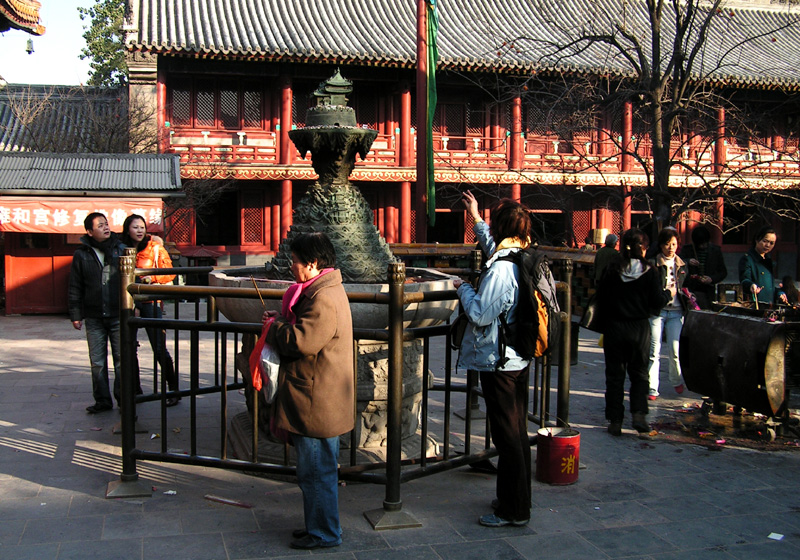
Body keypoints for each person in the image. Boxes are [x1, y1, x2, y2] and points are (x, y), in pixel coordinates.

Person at [263, 232, 354, 550]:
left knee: (316, 471)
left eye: (296, 260)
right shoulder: (324, 290)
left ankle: (325, 533)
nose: (292, 266)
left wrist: (275, 329)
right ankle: (320, 525)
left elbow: (300, 341)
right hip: (318, 396)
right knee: (316, 470)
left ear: (313, 264)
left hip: (317, 402)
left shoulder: (323, 299)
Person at [453, 190, 533, 528]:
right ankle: (516, 500)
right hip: (518, 357)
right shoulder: (521, 255)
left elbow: (481, 313)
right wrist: (476, 217)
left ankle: (513, 510)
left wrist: (462, 287)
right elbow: (491, 249)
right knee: (516, 432)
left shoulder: (502, 269)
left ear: (502, 228)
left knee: (508, 437)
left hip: (500, 362)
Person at [596, 228, 670, 436]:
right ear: (643, 248)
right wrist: (667, 294)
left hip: (615, 328)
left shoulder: (612, 269)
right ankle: (638, 414)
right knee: (639, 374)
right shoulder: (650, 271)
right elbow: (657, 301)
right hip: (639, 329)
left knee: (614, 375)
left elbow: (601, 297)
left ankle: (615, 420)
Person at [68, 212, 127, 413]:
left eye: (107, 223)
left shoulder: (121, 250)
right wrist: (76, 314)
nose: (106, 227)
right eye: (100, 225)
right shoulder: (81, 254)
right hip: (93, 316)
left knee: (122, 361)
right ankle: (102, 400)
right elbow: (75, 286)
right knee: (98, 362)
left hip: (118, 314)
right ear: (89, 231)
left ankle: (124, 400)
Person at [121, 214, 179, 406]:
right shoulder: (121, 248)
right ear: (127, 229)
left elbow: (169, 274)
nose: (139, 231)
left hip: (150, 302)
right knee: (129, 348)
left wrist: (149, 279)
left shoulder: (155, 247)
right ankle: (135, 390)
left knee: (159, 348)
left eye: (142, 227)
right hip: (128, 304)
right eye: (135, 227)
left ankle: (173, 389)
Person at [647, 228, 688, 400]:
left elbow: (684, 287)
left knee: (674, 349)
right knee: (654, 350)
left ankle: (676, 379)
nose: (670, 248)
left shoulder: (682, 265)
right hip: (658, 311)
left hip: (676, 310)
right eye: (667, 244)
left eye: (673, 244)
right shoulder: (653, 264)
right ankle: (652, 388)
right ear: (661, 245)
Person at [679, 226, 727, 309]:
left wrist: (711, 279)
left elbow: (723, 272)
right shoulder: (687, 250)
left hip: (708, 291)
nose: (702, 246)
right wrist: (687, 261)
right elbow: (677, 263)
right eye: (699, 244)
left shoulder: (715, 251)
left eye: (704, 243)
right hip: (691, 290)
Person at [739, 226, 787, 306]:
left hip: (769, 305)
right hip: (755, 304)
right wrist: (751, 285)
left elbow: (769, 287)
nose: (768, 245)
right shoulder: (748, 259)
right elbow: (744, 279)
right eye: (765, 241)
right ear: (757, 239)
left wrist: (779, 293)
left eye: (772, 243)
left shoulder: (768, 260)